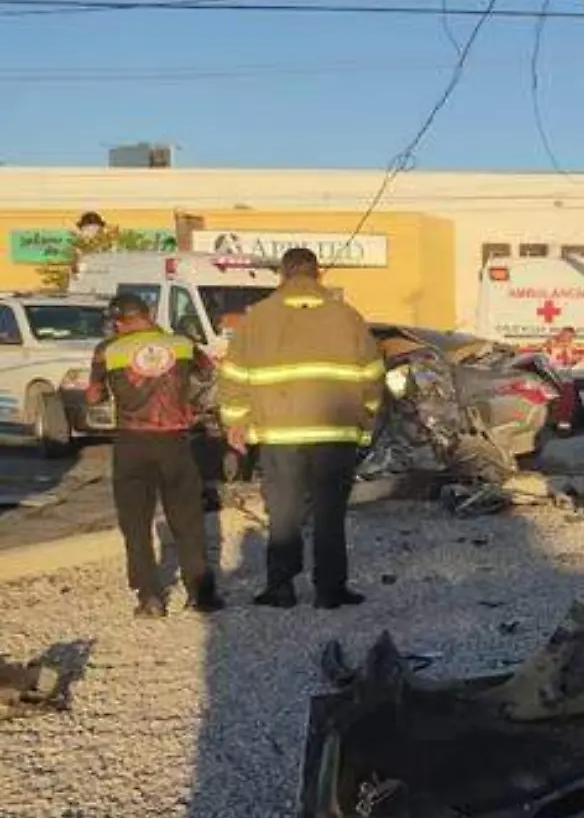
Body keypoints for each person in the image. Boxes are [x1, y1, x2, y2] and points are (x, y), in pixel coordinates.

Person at [219, 247, 384, 610]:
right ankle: (330, 590)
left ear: (282, 274)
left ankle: (280, 588)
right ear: (319, 274)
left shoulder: (257, 318)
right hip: (336, 433)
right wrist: (366, 420)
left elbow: (232, 376)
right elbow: (373, 375)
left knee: (283, 514)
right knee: (329, 514)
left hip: (279, 435)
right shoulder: (348, 317)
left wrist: (236, 422)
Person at [87, 293, 221, 617]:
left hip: (132, 443)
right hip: (175, 442)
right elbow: (208, 374)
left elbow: (93, 396)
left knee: (135, 523)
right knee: (187, 521)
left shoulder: (108, 351)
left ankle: (150, 597)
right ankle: (200, 595)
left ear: (118, 322)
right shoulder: (182, 344)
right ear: (148, 314)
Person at [543, 326, 583, 435]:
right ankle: (562, 427)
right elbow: (546, 358)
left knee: (570, 401)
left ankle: (563, 425)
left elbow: (569, 360)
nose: (569, 339)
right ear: (562, 334)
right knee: (562, 401)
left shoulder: (570, 345)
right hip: (555, 375)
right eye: (568, 336)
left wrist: (575, 360)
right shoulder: (551, 343)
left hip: (566, 375)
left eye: (571, 337)